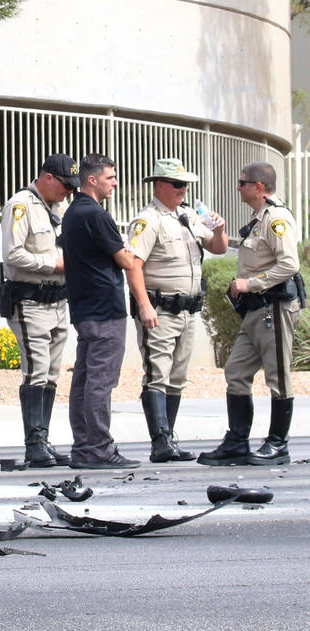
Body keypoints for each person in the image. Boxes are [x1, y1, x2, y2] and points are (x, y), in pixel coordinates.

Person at [198, 162, 303, 467]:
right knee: (236, 371)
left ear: (258, 187)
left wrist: (249, 283)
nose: (238, 187)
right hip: (256, 310)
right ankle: (237, 442)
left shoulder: (276, 219)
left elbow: (289, 265)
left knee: (278, 377)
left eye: (242, 183)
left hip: (275, 308)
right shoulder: (260, 219)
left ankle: (278, 444)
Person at [126, 158, 229, 462]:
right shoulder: (148, 220)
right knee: (157, 373)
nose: (183, 190)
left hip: (187, 311)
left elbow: (218, 247)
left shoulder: (186, 216)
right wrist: (144, 305)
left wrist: (220, 230)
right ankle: (160, 442)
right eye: (177, 184)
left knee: (177, 376)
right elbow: (133, 265)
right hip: (160, 309)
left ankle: (168, 438)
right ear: (159, 185)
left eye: (185, 184)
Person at [61, 153, 140, 469]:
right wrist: (128, 250)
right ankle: (100, 449)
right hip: (105, 309)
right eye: (111, 177)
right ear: (91, 179)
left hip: (84, 307)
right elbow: (125, 260)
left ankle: (83, 447)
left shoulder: (72, 213)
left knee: (83, 379)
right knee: (100, 381)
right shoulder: (96, 215)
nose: (115, 183)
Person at [0, 154, 78, 467]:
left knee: (51, 373)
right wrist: (54, 264)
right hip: (30, 300)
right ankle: (34, 443)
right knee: (36, 370)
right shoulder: (20, 205)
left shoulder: (57, 207)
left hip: (58, 300)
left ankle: (43, 439)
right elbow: (13, 254)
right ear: (47, 178)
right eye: (64, 185)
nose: (68, 192)